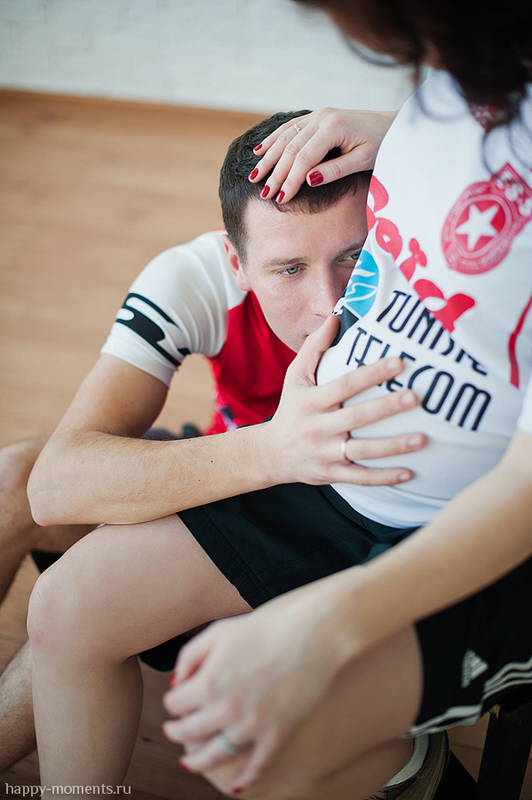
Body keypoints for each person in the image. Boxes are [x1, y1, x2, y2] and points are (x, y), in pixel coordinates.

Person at [157, 3, 532, 800]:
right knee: (72, 605)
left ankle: (417, 771)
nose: (329, 301)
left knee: (250, 744)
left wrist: (325, 621)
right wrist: (406, 128)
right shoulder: (452, 87)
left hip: (471, 533)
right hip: (334, 482)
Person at [0, 109, 422, 776]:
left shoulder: (426, 268)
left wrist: (404, 126)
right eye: (288, 269)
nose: (330, 302)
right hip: (242, 470)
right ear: (236, 263)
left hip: (352, 522)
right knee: (15, 481)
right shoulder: (196, 275)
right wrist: (273, 451)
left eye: (354, 255)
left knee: (81, 607)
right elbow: (54, 487)